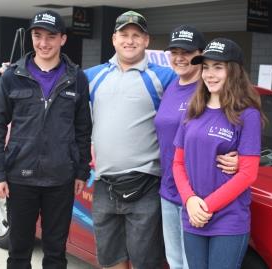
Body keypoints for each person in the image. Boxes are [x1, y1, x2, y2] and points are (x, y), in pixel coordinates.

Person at [0, 10, 92, 269]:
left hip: (61, 179)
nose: (43, 43)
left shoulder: (76, 78)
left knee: (55, 252)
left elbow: (82, 129)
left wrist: (80, 171)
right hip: (20, 178)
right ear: (31, 37)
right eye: (37, 35)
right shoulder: (13, 76)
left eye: (51, 36)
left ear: (63, 39)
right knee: (19, 252)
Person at [84, 11, 176, 269]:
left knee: (144, 263)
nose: (130, 40)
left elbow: (201, 97)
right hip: (104, 183)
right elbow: (56, 84)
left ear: (146, 40)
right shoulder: (92, 76)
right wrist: (14, 73)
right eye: (124, 34)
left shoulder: (164, 77)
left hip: (145, 184)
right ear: (114, 39)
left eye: (136, 35)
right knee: (111, 260)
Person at [172, 38, 265, 269]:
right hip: (193, 215)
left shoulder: (247, 114)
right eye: (206, 67)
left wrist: (206, 206)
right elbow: (177, 163)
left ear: (233, 71)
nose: (209, 74)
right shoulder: (194, 110)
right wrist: (190, 201)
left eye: (218, 67)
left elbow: (248, 174)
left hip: (228, 219)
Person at [154, 25, 238, 269]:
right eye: (174, 51)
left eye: (187, 52)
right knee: (175, 262)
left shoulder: (212, 92)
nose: (180, 58)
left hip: (200, 196)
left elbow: (239, 132)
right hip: (169, 189)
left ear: (201, 56)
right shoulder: (170, 86)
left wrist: (243, 158)